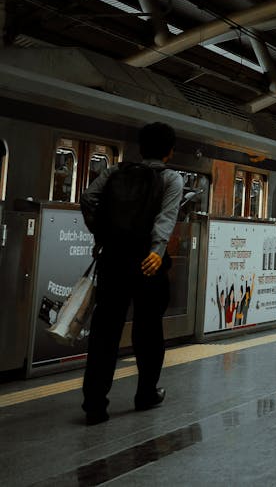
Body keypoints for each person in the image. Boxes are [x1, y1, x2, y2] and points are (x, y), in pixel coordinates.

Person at [79, 121, 183, 426]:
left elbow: (87, 198)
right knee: (148, 331)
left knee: (105, 332)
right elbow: (166, 217)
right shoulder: (171, 179)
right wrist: (157, 250)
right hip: (147, 263)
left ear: (141, 148)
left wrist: (102, 234)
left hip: (113, 261)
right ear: (169, 151)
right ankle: (146, 393)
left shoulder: (115, 172)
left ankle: (95, 404)